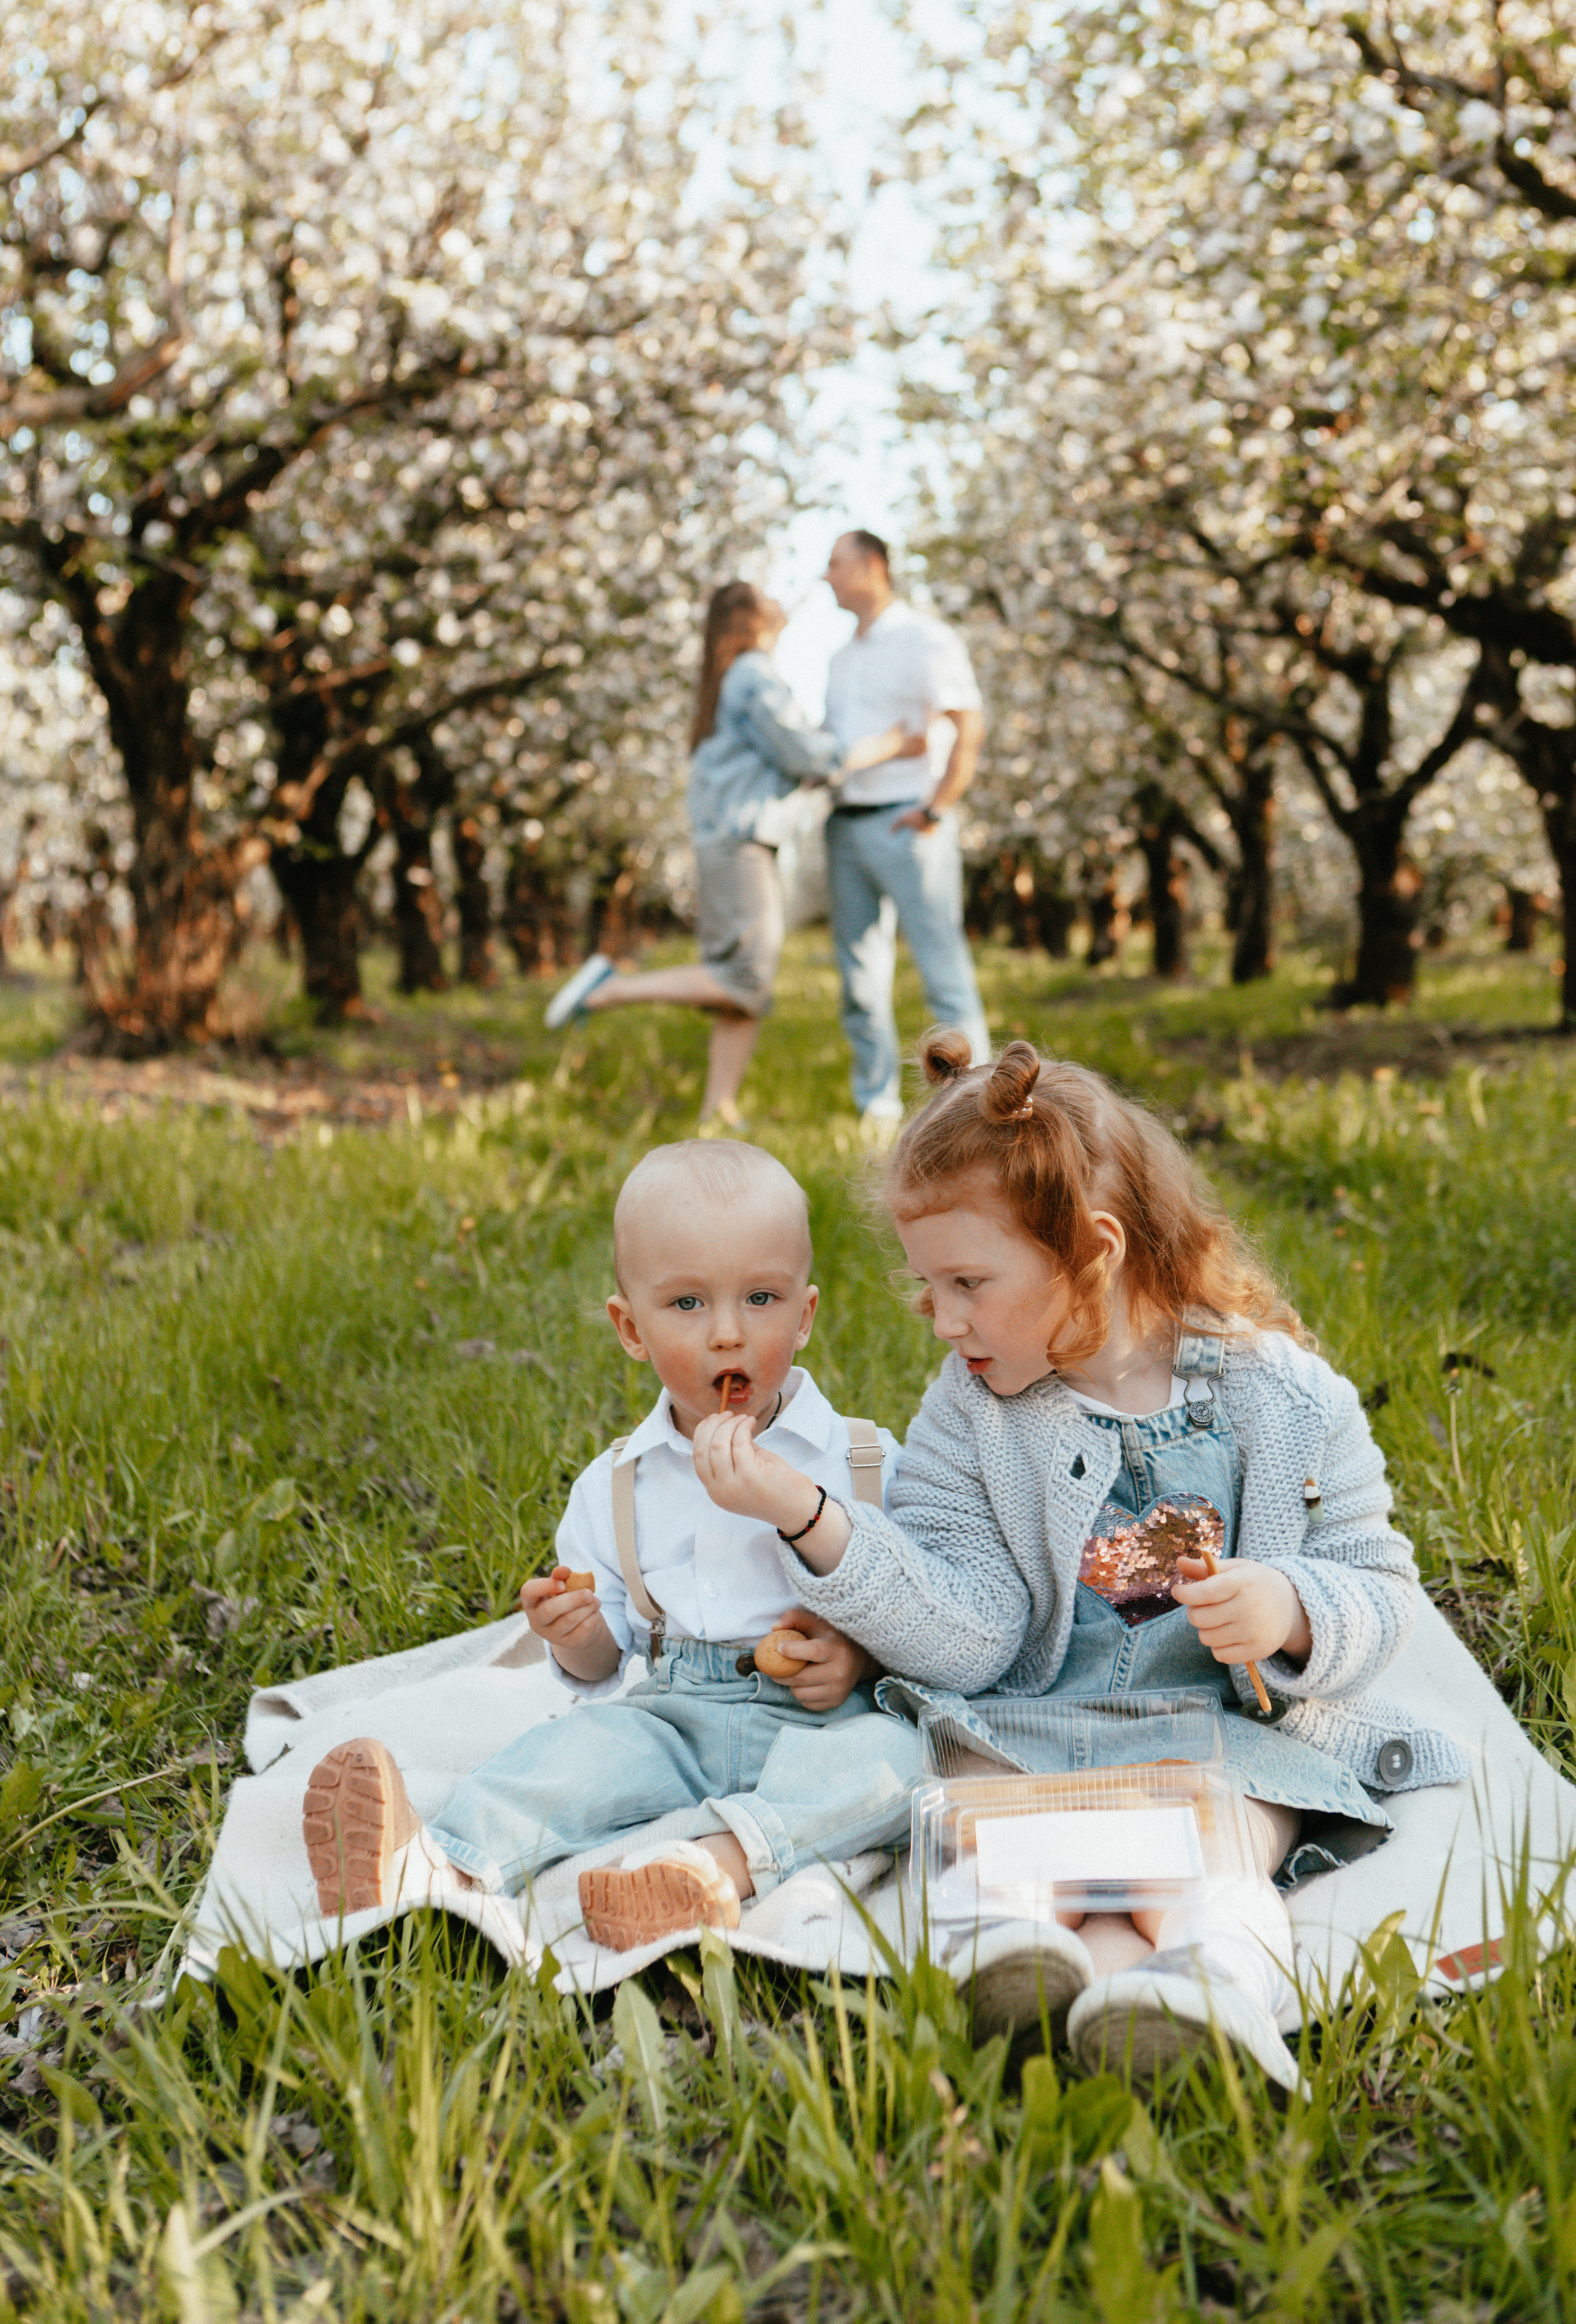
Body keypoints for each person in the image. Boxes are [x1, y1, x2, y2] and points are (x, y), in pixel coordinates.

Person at [689, 1035, 1466, 2087]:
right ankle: (1014, 1958)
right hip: (1028, 1732)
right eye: (929, 1286)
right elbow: (966, 1637)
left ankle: (1209, 1981)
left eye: (968, 1282)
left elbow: (1377, 1583)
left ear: (1094, 1253)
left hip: (1219, 1740)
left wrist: (1291, 1609)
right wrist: (810, 1516)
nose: (942, 1321)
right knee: (1000, 1845)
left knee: (1227, 1845)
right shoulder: (969, 1416)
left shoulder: (1286, 1400)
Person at [301, 1139, 921, 1953]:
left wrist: (860, 1659)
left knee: (900, 1761)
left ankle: (711, 1870)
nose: (728, 1334)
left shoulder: (863, 1460)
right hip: (676, 1713)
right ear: (631, 1328)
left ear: (803, 1316)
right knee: (571, 1754)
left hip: (824, 1721)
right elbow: (604, 1660)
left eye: (760, 1298)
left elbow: (921, 1612)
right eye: (687, 1304)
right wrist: (575, 1630)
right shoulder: (619, 1483)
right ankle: (433, 1863)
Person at [545, 579, 925, 1134]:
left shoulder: (728, 677)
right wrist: (889, 745)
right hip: (740, 844)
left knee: (742, 988)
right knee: (747, 978)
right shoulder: (752, 673)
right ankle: (608, 988)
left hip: (731, 841)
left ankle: (718, 1106)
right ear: (754, 621)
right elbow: (807, 754)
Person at [821, 530, 991, 1139]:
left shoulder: (926, 638)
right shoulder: (841, 658)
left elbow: (968, 724)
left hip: (907, 823)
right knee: (860, 981)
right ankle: (878, 1106)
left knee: (943, 972)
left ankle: (979, 1108)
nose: (826, 576)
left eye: (835, 564)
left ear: (871, 566)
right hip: (846, 826)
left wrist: (936, 808)